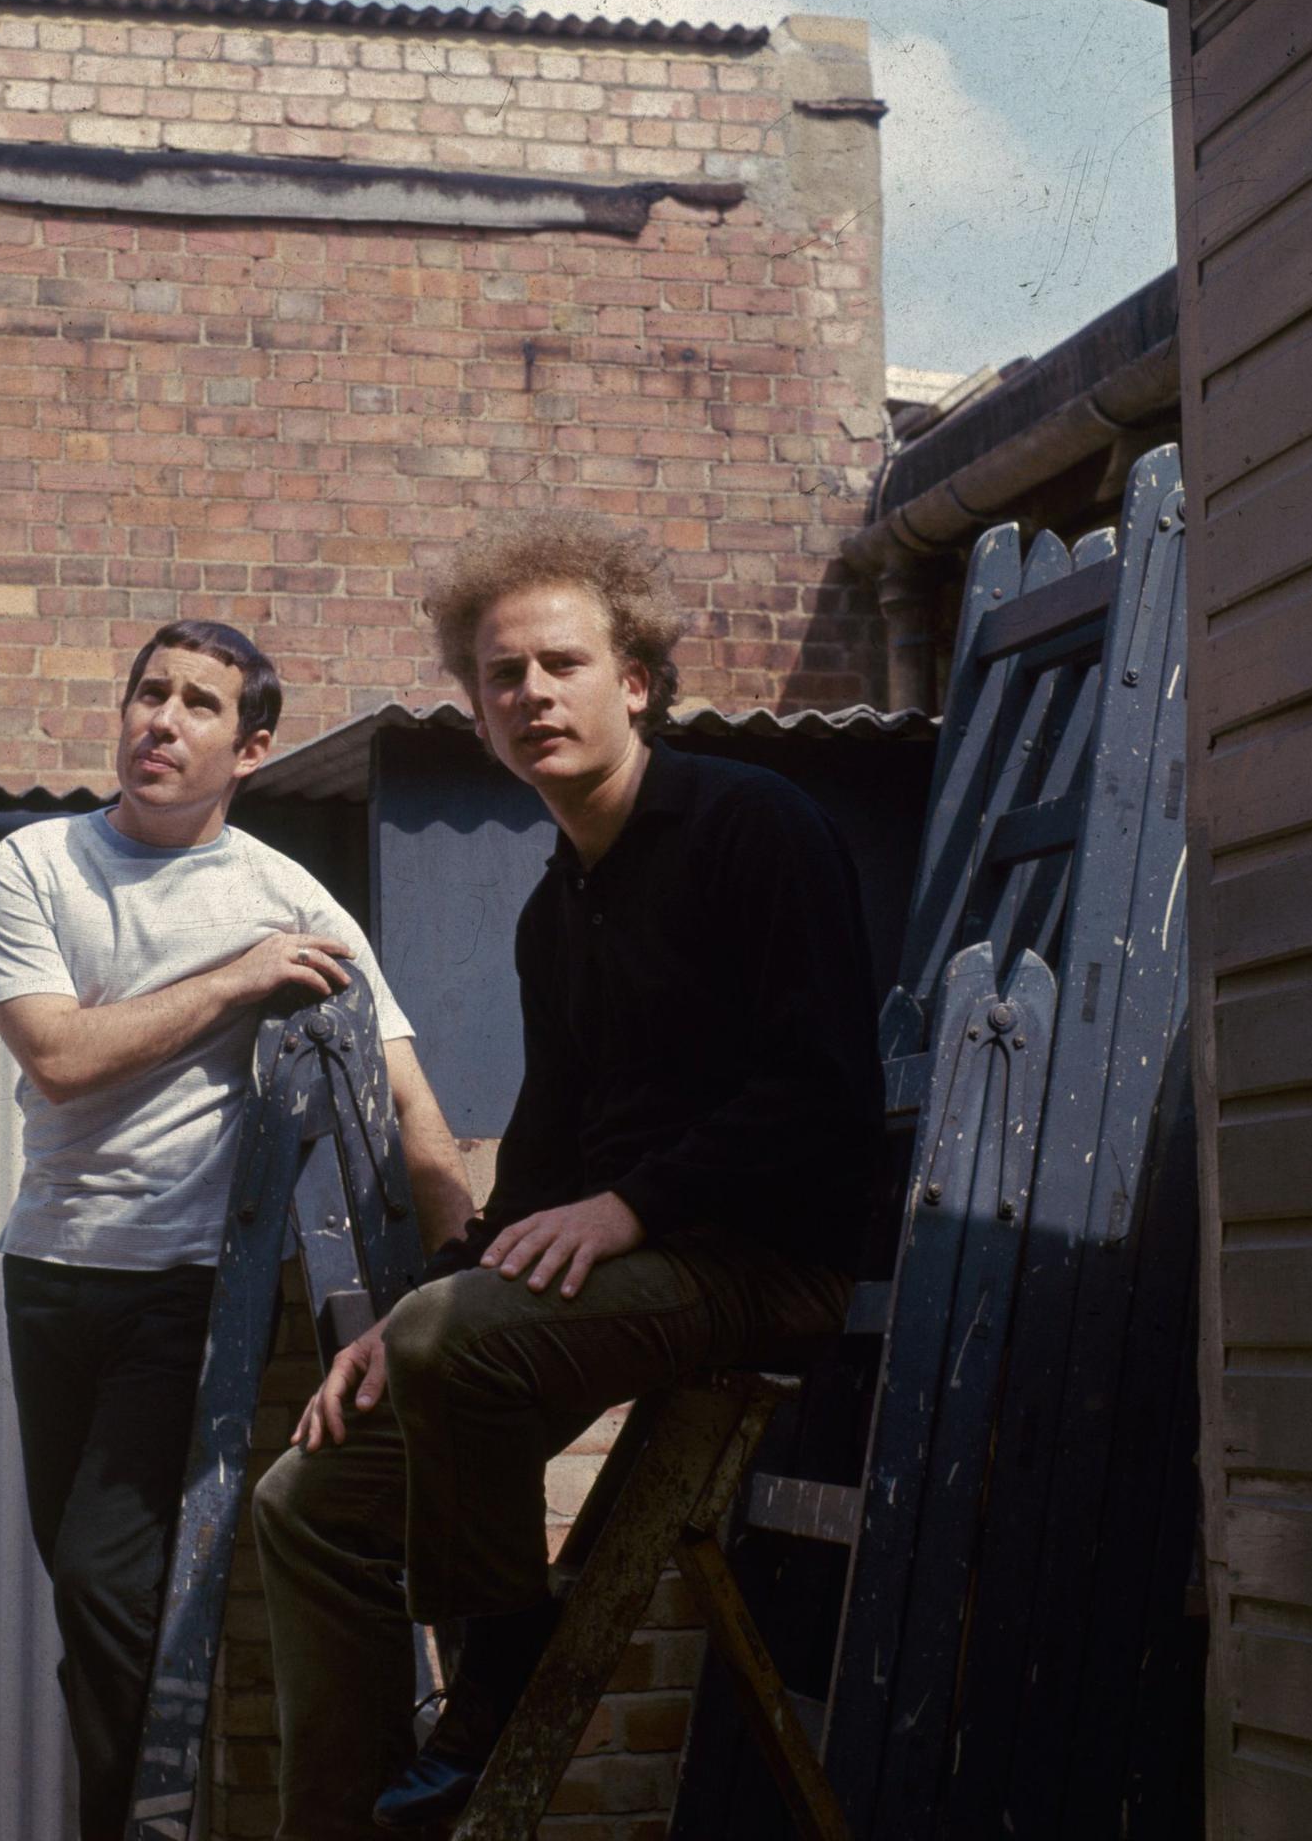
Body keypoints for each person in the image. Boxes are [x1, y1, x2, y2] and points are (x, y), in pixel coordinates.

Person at [253, 512, 885, 1836]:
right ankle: (357, 1814)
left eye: (561, 664)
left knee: (457, 1345)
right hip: (641, 1260)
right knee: (305, 1503)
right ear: (476, 715)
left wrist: (631, 1205)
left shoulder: (753, 827)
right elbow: (545, 1146)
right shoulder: (559, 906)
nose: (529, 694)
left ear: (634, 682)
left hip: (766, 1263)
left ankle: (493, 1683)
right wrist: (413, 1306)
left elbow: (821, 1095)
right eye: (499, 676)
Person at [0, 617, 475, 1841]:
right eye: (150, 692)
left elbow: (408, 1101)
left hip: (184, 1285)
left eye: (200, 704)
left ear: (249, 747)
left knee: (107, 1583)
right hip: (49, 1270)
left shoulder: (286, 895)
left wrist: (460, 1276)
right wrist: (238, 980)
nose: (162, 720)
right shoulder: (33, 863)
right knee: (93, 1604)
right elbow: (58, 1057)